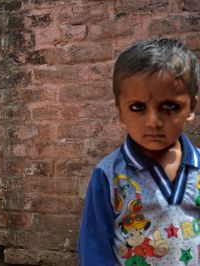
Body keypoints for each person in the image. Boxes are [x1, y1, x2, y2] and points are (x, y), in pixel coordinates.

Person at [79, 38, 200, 265]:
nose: (153, 122)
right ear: (121, 111)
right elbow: (94, 248)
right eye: (138, 107)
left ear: (191, 108)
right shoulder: (109, 175)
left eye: (170, 106)